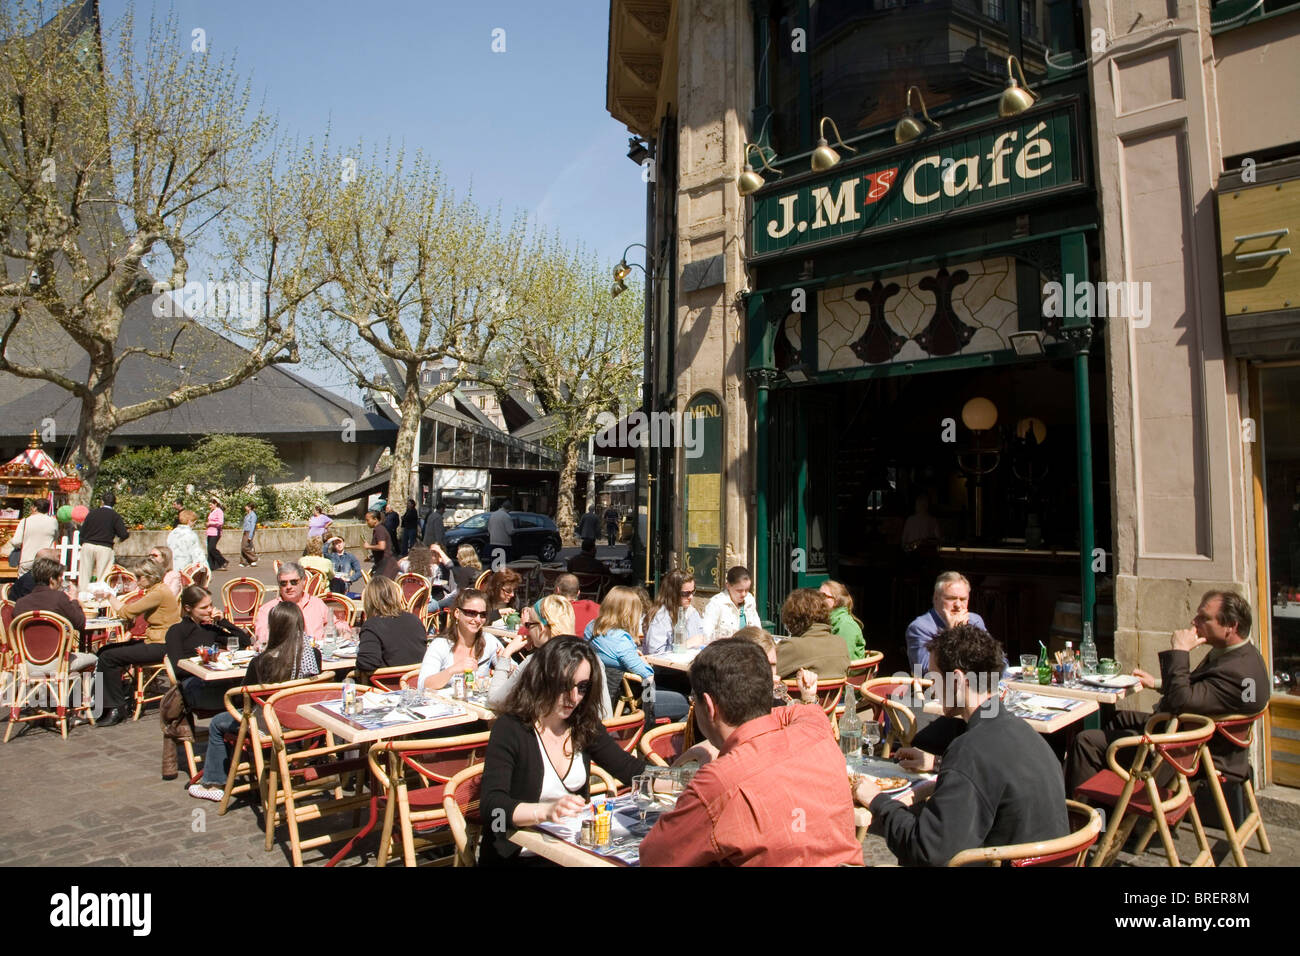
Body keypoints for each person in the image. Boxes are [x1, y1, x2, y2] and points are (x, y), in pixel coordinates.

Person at [855, 623, 1069, 866]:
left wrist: (877, 801)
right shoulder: (1023, 731)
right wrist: (939, 764)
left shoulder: (970, 750)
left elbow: (926, 852)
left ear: (957, 679)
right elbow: (994, 779)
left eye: (934, 678)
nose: (933, 689)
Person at [639, 639, 861, 866]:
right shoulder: (815, 725)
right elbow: (800, 712)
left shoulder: (717, 784)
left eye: (694, 699)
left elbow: (654, 857)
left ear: (709, 705)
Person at [1066, 590, 1271, 796]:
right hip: (1185, 733)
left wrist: (1180, 651)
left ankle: (1086, 818)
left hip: (1185, 751)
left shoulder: (1237, 671)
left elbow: (1180, 701)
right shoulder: (1243, 655)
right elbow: (1206, 693)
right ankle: (1115, 805)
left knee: (1086, 741)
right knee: (1118, 719)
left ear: (1231, 626)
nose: (1194, 621)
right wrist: (1154, 683)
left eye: (1204, 618)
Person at [478, 635, 646, 866]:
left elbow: (630, 769)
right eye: (565, 685)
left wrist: (684, 781)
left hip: (572, 852)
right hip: (518, 855)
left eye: (582, 687)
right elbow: (492, 807)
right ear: (544, 678)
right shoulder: (511, 728)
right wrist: (545, 811)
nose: (573, 697)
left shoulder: (582, 724)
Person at [187, 601, 322, 802]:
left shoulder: (262, 661)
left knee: (217, 723)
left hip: (269, 724)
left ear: (274, 628)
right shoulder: (313, 655)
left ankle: (214, 782)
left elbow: (244, 696)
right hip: (302, 720)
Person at [488, 595, 614, 719]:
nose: (527, 631)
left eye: (528, 625)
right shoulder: (592, 658)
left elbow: (495, 700)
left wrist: (506, 654)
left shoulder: (537, 660)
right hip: (586, 733)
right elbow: (605, 714)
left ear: (541, 628)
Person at [95, 557, 181, 726]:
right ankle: (109, 700)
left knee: (108, 657)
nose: (137, 580)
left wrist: (109, 596)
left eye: (140, 577)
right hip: (156, 641)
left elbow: (127, 612)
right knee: (104, 651)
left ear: (150, 576)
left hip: (162, 645)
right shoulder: (157, 590)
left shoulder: (158, 593)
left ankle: (115, 707)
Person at [587, 586, 688, 723]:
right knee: (685, 702)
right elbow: (648, 676)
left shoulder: (591, 628)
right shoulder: (621, 640)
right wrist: (645, 663)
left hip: (605, 695)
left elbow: (609, 652)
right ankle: (662, 740)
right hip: (631, 702)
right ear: (628, 613)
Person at [165, 585, 251, 710]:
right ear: (188, 608)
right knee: (243, 697)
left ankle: (237, 724)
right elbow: (178, 669)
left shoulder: (209, 629)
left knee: (246, 689)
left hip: (215, 680)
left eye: (211, 605)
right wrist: (205, 666)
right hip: (193, 684)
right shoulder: (176, 631)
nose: (210, 610)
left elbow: (244, 642)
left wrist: (223, 621)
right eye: (204, 607)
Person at [14, 556, 95, 671]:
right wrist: (74, 600)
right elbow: (80, 623)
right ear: (52, 579)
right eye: (60, 577)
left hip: (26, 663)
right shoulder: (59, 598)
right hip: (57, 662)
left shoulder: (20, 603)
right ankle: (97, 690)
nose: (62, 580)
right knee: (97, 660)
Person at [417, 588, 505, 690]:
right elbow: (423, 685)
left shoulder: (489, 641)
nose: (478, 619)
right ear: (457, 613)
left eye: (483, 615)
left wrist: (505, 665)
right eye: (472, 613)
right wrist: (452, 670)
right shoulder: (440, 645)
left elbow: (513, 674)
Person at [906, 571, 986, 675]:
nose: (958, 604)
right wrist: (952, 633)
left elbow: (998, 659)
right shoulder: (919, 627)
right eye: (951, 598)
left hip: (977, 686)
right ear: (935, 598)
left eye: (963, 599)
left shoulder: (975, 620)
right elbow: (925, 670)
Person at [354, 576, 429, 678]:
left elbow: (367, 662)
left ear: (368, 600)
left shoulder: (372, 625)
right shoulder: (414, 620)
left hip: (387, 686)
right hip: (416, 681)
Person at [774, 587, 850, 679]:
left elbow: (761, 675)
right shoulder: (841, 643)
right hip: (834, 693)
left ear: (793, 617)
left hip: (799, 693)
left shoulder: (792, 646)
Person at [252, 562, 330, 651]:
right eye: (283, 583)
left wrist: (343, 630)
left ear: (303, 581)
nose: (289, 587)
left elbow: (335, 624)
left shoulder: (317, 604)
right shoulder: (268, 609)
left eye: (293, 582)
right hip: (283, 658)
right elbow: (262, 635)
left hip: (319, 657)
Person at [735, 626, 819, 709]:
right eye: (763, 666)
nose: (775, 677)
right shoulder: (731, 708)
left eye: (773, 665)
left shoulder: (777, 702)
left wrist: (808, 698)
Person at [644, 570, 705, 655]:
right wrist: (685, 645)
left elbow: (700, 640)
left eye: (693, 591)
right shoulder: (661, 616)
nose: (691, 597)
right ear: (672, 593)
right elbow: (655, 653)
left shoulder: (692, 612)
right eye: (685, 593)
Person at [78, 490, 130, 591]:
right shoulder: (115, 516)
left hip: (88, 545)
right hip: (104, 547)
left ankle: (82, 595)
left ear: (102, 501)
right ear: (114, 503)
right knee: (102, 575)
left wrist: (83, 542)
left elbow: (82, 531)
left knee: (84, 574)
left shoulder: (92, 513)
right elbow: (123, 534)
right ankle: (99, 598)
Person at [702, 566, 760, 642]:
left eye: (747, 590)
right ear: (728, 585)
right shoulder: (716, 603)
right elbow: (706, 634)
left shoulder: (749, 600)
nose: (743, 594)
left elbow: (758, 630)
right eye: (739, 590)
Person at [9, 498, 58, 573]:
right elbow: (55, 537)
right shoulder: (53, 521)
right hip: (45, 559)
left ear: (35, 508)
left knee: (25, 583)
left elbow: (16, 541)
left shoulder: (25, 521)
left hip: (27, 559)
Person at [820, 579, 866, 659]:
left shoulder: (845, 624)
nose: (818, 599)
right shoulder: (826, 621)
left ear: (836, 601)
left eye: (823, 596)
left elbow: (843, 660)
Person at [436, 544, 482, 610]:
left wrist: (447, 598)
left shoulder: (464, 571)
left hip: (464, 600)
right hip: (476, 598)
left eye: (458, 554)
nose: (456, 556)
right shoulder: (479, 570)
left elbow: (459, 592)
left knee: (437, 605)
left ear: (463, 557)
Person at [166, 509, 208, 582]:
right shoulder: (191, 535)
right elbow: (198, 555)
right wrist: (205, 571)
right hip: (186, 571)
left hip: (172, 569)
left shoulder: (172, 533)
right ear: (189, 521)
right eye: (194, 522)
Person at [554, 573, 600, 638]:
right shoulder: (593, 606)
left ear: (557, 590)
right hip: (591, 646)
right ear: (578, 593)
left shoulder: (552, 611)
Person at [362, 509, 400, 580]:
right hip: (383, 564)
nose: (367, 522)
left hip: (387, 565)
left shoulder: (380, 530)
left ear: (375, 519)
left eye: (368, 520)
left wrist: (368, 546)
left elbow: (382, 546)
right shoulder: (378, 529)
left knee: (379, 587)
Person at [204, 497, 228, 571]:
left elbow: (220, 522)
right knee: (209, 549)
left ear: (215, 504)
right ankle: (211, 565)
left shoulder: (219, 511)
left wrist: (211, 523)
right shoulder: (212, 511)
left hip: (215, 532)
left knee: (212, 548)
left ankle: (222, 561)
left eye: (211, 505)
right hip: (210, 532)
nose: (210, 506)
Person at [487, 499, 514, 565]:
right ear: (509, 508)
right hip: (504, 544)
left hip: (493, 542)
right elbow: (510, 531)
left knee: (495, 564)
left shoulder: (493, 515)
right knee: (503, 564)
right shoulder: (506, 516)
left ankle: (495, 574)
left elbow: (489, 528)